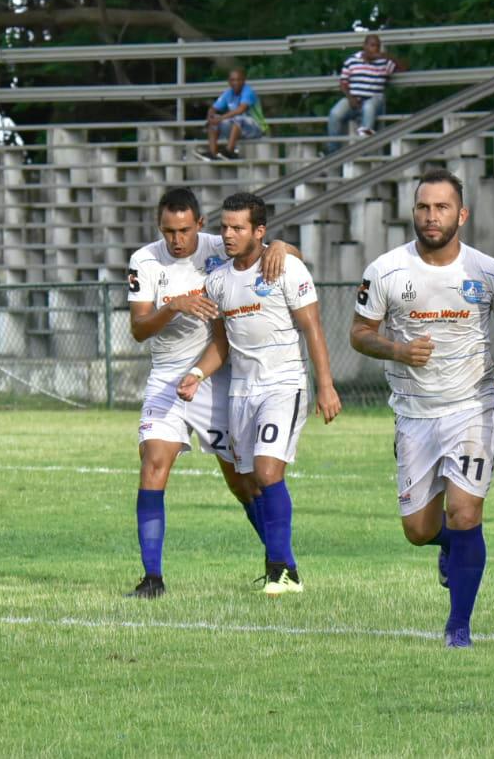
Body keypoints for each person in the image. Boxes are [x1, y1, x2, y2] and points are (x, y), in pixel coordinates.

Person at [349, 168, 494, 648]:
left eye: (442, 207)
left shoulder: (487, 272)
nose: (431, 216)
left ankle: (458, 627)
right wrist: (398, 351)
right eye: (423, 207)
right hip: (413, 413)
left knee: (465, 512)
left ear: (461, 214)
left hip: (471, 408)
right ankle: (449, 548)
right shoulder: (385, 271)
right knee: (419, 530)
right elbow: (359, 334)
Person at [125, 187, 297, 598]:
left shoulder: (220, 245)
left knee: (244, 484)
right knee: (153, 461)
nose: (176, 240)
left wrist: (285, 247)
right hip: (168, 378)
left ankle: (283, 564)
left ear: (199, 226)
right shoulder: (144, 261)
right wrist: (174, 306)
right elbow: (137, 329)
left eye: (184, 230)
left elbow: (276, 253)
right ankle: (152, 579)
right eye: (168, 231)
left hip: (217, 379)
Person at [178, 192, 342, 596]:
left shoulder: (285, 267)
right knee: (250, 483)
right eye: (225, 228)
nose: (229, 235)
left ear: (259, 231)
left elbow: (313, 329)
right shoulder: (217, 281)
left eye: (238, 228)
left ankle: (278, 570)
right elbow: (222, 343)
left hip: (283, 385)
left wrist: (326, 384)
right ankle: (288, 568)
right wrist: (197, 373)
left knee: (269, 473)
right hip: (240, 391)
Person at [325, 34, 406, 154]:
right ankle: (332, 152)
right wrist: (350, 97)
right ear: (365, 46)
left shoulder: (383, 62)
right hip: (353, 98)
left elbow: (403, 68)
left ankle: (363, 151)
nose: (376, 49)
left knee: (368, 108)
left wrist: (386, 56)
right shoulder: (352, 60)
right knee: (335, 113)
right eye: (373, 45)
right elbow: (343, 83)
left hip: (374, 99)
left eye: (378, 46)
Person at [200, 68, 265, 161]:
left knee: (238, 118)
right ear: (229, 82)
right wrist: (210, 116)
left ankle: (229, 151)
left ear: (243, 81)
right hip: (237, 128)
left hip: (256, 128)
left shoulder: (248, 91)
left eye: (238, 79)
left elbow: (240, 110)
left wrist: (220, 118)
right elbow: (214, 108)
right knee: (214, 120)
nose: (236, 82)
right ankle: (213, 153)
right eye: (233, 80)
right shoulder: (228, 93)